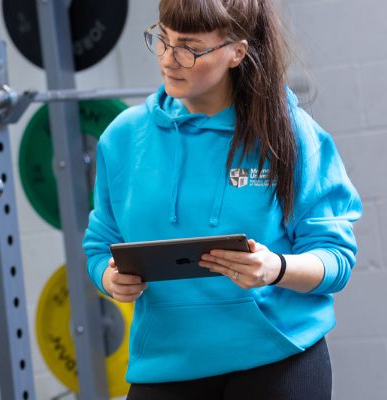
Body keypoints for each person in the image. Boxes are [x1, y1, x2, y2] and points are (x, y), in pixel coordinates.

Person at [83, 0, 361, 398]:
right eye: (163, 39)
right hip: (165, 363)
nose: (169, 59)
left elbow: (335, 258)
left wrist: (275, 268)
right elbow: (99, 243)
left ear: (237, 52)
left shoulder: (291, 135)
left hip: (278, 359)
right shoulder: (122, 139)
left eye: (190, 47)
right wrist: (109, 277)